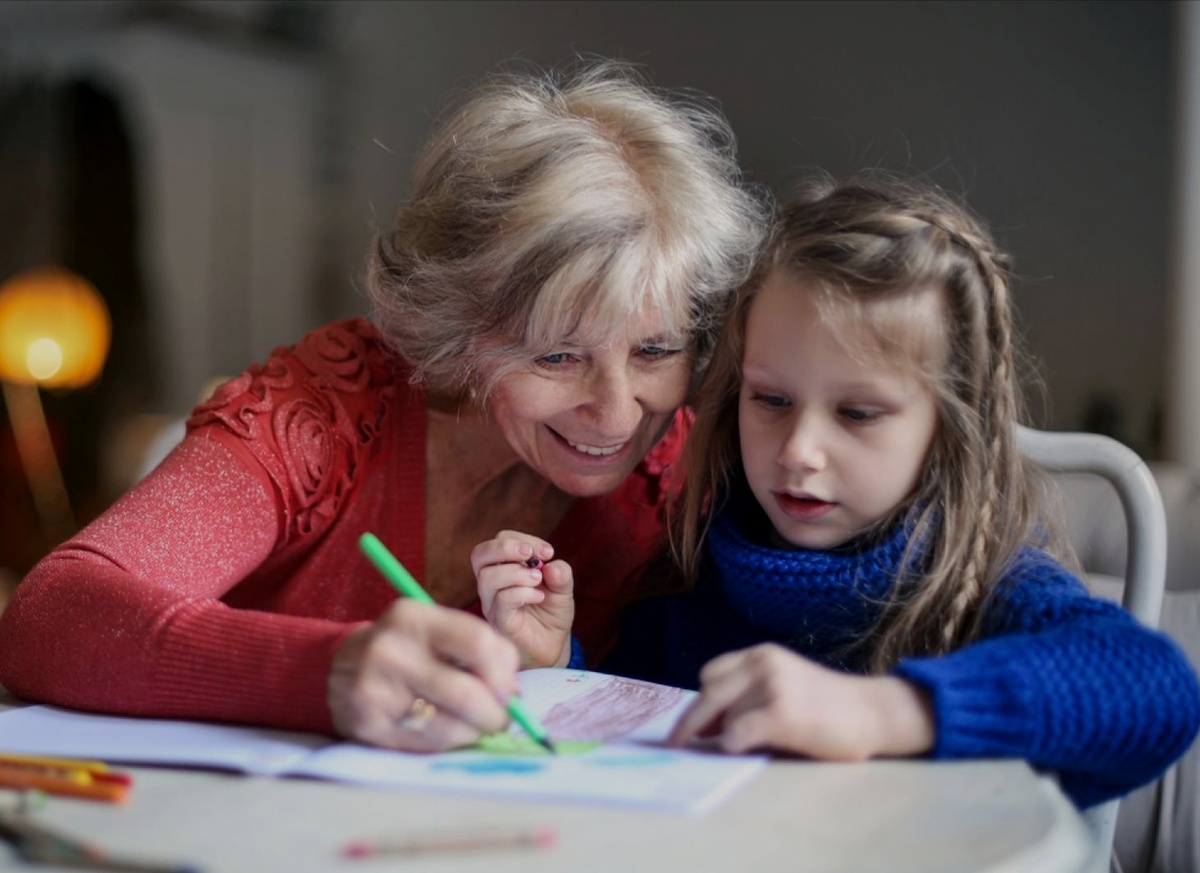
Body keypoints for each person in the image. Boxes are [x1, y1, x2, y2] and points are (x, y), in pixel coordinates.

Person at [0, 59, 768, 753]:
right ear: (463, 328)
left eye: (656, 351)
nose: (617, 413)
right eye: (557, 355)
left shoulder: (675, 472)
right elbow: (51, 619)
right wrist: (323, 673)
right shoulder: (332, 407)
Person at [472, 172, 1200, 809]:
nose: (798, 450)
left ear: (948, 428)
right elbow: (636, 759)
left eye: (857, 412)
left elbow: (1156, 688)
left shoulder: (978, 585)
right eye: (771, 400)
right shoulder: (692, 571)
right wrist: (557, 667)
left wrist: (882, 713)